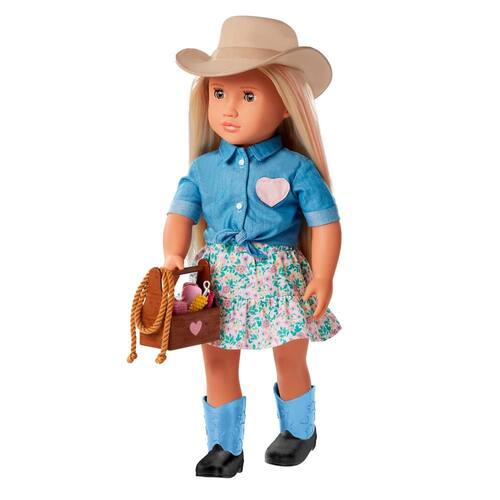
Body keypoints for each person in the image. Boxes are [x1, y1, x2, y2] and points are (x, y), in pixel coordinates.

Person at [163, 15, 342, 478]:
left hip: (280, 278)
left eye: (248, 96)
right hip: (216, 281)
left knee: (289, 353)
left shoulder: (296, 168)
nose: (230, 109)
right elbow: (180, 215)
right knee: (216, 357)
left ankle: (298, 430)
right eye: (219, 93)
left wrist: (323, 276)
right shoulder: (203, 169)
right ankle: (224, 445)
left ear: (286, 105)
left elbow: (325, 224)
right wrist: (173, 256)